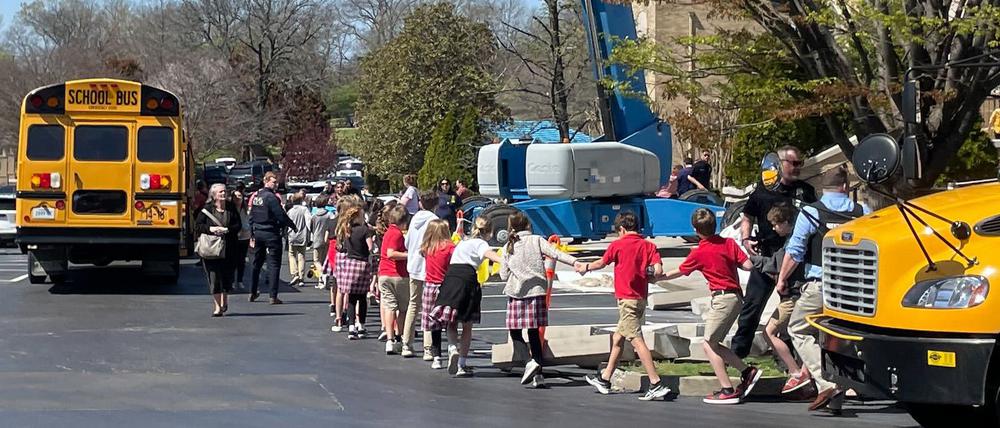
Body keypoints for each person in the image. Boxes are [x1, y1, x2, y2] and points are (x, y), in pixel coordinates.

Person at [779, 165, 868, 413]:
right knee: (838, 336)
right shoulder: (863, 212)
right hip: (856, 288)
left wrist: (782, 279)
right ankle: (836, 397)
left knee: (798, 328)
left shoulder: (811, 212)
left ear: (822, 188)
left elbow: (795, 251)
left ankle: (826, 381)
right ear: (846, 186)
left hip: (822, 285)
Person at [658, 208, 759, 404]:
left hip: (722, 298)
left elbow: (679, 271)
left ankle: (728, 388)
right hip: (736, 297)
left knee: (709, 344)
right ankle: (747, 372)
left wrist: (658, 277)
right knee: (715, 342)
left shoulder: (700, 252)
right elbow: (748, 266)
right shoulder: (728, 243)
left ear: (695, 229)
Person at [731, 145, 817, 358]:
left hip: (793, 259)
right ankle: (738, 354)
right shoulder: (763, 190)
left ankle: (788, 359)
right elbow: (748, 216)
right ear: (780, 164)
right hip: (766, 254)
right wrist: (745, 238)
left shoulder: (805, 191)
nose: (798, 168)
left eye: (800, 163)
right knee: (752, 305)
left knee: (789, 309)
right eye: (793, 163)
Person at [580, 212, 671, 401]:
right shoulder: (648, 245)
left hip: (626, 300)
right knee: (618, 338)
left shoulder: (618, 245)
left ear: (621, 229)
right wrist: (650, 273)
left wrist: (585, 267)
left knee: (637, 340)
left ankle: (656, 383)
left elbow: (601, 263)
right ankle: (605, 378)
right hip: (640, 299)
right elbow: (658, 269)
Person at [499, 212, 580, 386]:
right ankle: (538, 374)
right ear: (528, 225)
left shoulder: (508, 246)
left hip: (516, 292)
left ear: (511, 227)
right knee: (534, 332)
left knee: (515, 331)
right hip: (536, 291)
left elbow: (503, 275)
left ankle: (529, 362)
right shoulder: (537, 240)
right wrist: (575, 263)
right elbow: (555, 253)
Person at [430, 217, 503, 377]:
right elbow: (489, 255)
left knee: (451, 321)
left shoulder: (463, 242)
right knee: (467, 325)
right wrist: (505, 260)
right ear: (489, 232)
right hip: (467, 278)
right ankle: (462, 364)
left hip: (451, 278)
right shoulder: (481, 243)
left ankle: (451, 348)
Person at [750, 205, 811, 395]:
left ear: (787, 223)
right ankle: (805, 376)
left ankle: (795, 372)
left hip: (792, 295)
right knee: (802, 335)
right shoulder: (795, 241)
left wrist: (751, 259)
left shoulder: (791, 244)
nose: (774, 228)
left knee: (769, 332)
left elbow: (774, 265)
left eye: (776, 224)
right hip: (798, 293)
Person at [401, 191, 440, 358]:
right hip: (429, 267)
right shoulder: (434, 221)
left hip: (414, 266)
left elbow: (407, 243)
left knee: (413, 304)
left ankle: (406, 343)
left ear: (420, 203)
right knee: (429, 308)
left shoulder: (414, 219)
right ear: (436, 205)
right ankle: (428, 347)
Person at [249, 171, 296, 305]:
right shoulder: (271, 197)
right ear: (266, 181)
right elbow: (280, 215)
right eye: (274, 182)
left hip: (258, 232)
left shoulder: (257, 196)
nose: (276, 185)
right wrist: (291, 226)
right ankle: (273, 296)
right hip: (271, 233)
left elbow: (252, 215)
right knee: (274, 265)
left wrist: (252, 232)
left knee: (256, 263)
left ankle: (252, 292)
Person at [195, 184, 242, 317]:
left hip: (229, 249)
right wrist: (211, 229)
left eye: (224, 191)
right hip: (212, 250)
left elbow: (238, 225)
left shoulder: (231, 208)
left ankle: (224, 301)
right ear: (214, 195)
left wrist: (227, 230)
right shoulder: (207, 209)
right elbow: (198, 226)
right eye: (221, 192)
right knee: (214, 277)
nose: (223, 193)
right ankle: (217, 306)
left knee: (227, 277)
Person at [419, 219, 455, 369]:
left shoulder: (427, 248)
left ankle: (437, 357)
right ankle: (452, 347)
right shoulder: (449, 247)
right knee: (450, 320)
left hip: (429, 287)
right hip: (446, 286)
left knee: (434, 324)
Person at [335, 204, 373, 340]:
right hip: (362, 264)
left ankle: (351, 327)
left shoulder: (347, 229)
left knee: (351, 297)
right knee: (362, 297)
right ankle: (361, 326)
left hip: (350, 263)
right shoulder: (365, 230)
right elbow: (370, 246)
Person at [378, 204, 410, 355]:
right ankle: (399, 337)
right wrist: (409, 255)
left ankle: (390, 339)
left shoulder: (388, 232)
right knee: (403, 309)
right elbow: (391, 253)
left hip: (384, 274)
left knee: (390, 306)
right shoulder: (397, 234)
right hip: (397, 275)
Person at [286, 193, 311, 287]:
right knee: (302, 256)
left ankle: (294, 273)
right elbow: (308, 221)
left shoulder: (290, 211)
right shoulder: (304, 210)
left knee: (292, 255)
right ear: (301, 200)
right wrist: (310, 233)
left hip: (292, 235)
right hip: (302, 236)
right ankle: (301, 277)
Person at [230, 188, 252, 289]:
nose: (238, 198)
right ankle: (231, 281)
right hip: (233, 237)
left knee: (241, 260)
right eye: (235, 196)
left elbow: (249, 221)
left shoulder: (245, 209)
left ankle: (239, 280)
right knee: (232, 260)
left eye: (240, 196)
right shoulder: (230, 209)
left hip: (244, 237)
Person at [310, 195, 334, 287]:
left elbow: (311, 227)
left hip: (317, 238)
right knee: (324, 260)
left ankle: (322, 275)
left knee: (316, 260)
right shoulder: (329, 214)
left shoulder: (314, 215)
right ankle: (323, 279)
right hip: (327, 239)